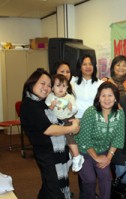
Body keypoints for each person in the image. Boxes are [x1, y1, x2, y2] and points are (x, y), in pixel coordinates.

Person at [20, 68, 80, 199]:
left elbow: (60, 120)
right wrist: (71, 128)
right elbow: (49, 129)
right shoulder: (29, 105)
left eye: (48, 85)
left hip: (56, 153)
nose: (46, 88)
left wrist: (73, 121)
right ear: (32, 82)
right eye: (42, 83)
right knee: (55, 190)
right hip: (47, 155)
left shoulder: (42, 103)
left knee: (49, 186)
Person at [75, 82, 125, 199]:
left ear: (116, 98)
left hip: (103, 150)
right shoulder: (91, 112)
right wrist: (96, 157)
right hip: (83, 151)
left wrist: (108, 158)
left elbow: (118, 137)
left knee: (106, 177)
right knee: (90, 180)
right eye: (103, 95)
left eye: (110, 95)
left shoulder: (120, 114)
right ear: (98, 98)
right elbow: (84, 139)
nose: (107, 99)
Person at [70, 54, 103, 198]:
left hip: (96, 125)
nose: (88, 66)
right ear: (79, 66)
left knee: (96, 157)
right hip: (77, 125)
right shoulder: (72, 82)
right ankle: (85, 193)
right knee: (81, 159)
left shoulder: (100, 84)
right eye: (84, 64)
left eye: (90, 63)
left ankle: (92, 192)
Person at [45, 74, 84, 172]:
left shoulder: (69, 97)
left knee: (69, 136)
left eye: (64, 86)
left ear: (67, 87)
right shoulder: (50, 97)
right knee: (58, 139)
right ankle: (69, 154)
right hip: (56, 120)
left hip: (68, 118)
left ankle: (77, 156)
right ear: (52, 88)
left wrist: (72, 108)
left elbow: (75, 109)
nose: (61, 88)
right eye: (58, 86)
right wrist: (51, 107)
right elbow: (46, 110)